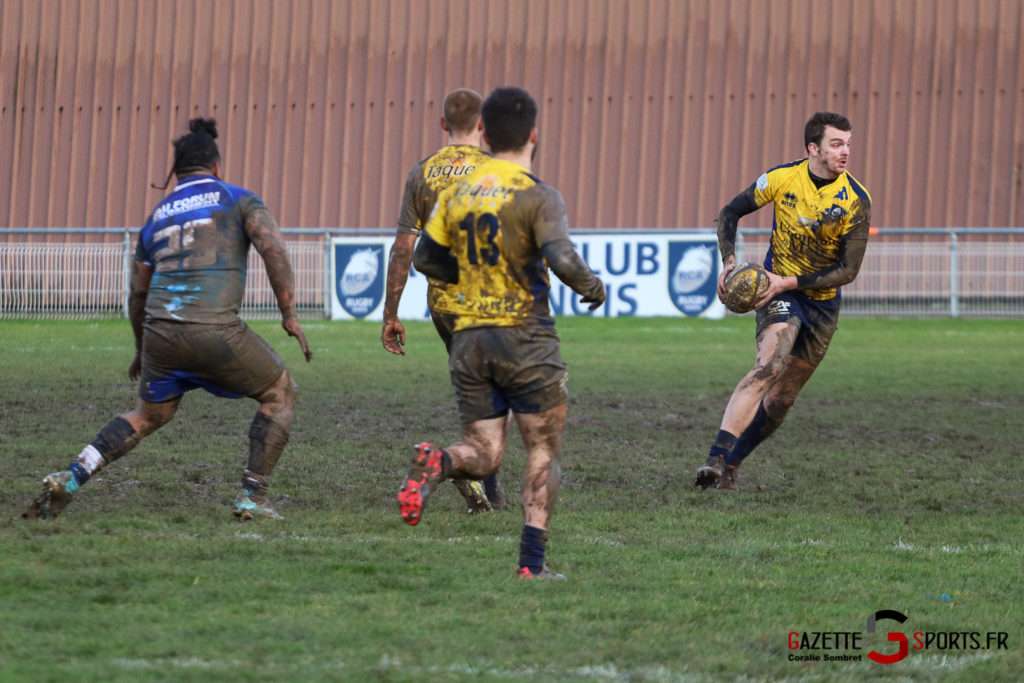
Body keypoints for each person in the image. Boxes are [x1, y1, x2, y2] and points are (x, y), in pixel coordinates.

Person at [24, 117, 312, 521]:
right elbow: (273, 249)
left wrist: (142, 349)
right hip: (213, 329)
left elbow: (138, 293)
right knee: (281, 393)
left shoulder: (157, 216)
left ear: (176, 173)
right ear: (216, 167)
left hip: (160, 333)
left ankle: (71, 477)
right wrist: (290, 315)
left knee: (148, 414)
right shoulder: (238, 199)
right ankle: (252, 497)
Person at [398, 86, 607, 579]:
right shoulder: (537, 193)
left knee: (485, 453)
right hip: (524, 336)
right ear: (534, 134)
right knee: (542, 448)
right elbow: (561, 258)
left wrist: (471, 275)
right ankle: (531, 565)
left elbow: (425, 259)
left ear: (485, 135)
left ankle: (440, 461)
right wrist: (592, 286)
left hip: (469, 339)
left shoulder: (456, 194)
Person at [694, 111, 871, 491]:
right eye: (837, 144)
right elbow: (729, 212)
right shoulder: (782, 178)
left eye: (848, 144)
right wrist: (729, 263)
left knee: (782, 399)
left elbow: (848, 271)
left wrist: (785, 280)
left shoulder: (855, 200)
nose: (845, 152)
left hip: (821, 304)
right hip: (780, 294)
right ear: (813, 148)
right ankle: (715, 457)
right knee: (769, 366)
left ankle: (734, 462)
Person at [381, 88, 504, 514]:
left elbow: (402, 247)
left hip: (444, 306)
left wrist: (390, 314)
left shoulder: (423, 173)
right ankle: (464, 470)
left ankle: (476, 485)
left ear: (443, 125)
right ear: (484, 125)